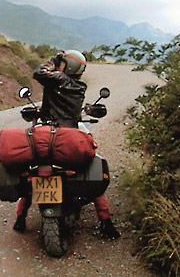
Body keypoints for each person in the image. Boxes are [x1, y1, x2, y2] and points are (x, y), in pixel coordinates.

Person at [13, 50, 121, 240]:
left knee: (32, 169)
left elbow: (39, 72)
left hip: (46, 132)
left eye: (62, 62)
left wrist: (54, 60)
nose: (59, 64)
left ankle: (20, 218)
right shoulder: (79, 86)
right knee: (89, 165)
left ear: (66, 66)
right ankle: (105, 221)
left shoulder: (60, 80)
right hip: (70, 133)